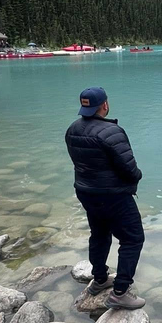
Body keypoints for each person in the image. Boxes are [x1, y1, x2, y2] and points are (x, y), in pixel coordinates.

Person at [65, 87, 146, 309]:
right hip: (114, 196)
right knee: (132, 239)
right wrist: (138, 176)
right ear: (105, 105)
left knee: (99, 234)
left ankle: (99, 279)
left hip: (87, 193)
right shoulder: (111, 132)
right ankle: (121, 292)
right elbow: (129, 169)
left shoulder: (72, 129)